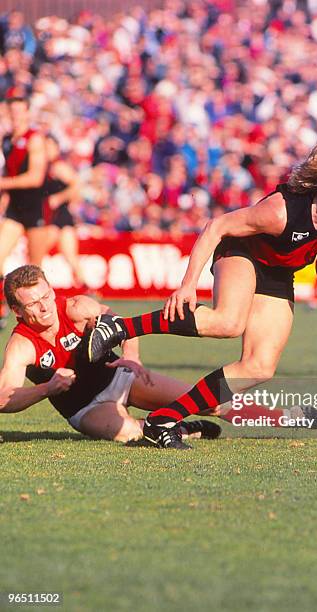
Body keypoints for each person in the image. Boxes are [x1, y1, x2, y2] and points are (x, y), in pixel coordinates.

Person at [87, 136, 317, 449]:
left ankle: (162, 420)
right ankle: (121, 327)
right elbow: (216, 227)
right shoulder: (279, 212)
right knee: (228, 322)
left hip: (279, 272)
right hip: (242, 252)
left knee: (259, 366)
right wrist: (188, 285)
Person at [0, 264, 221, 447]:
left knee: (211, 403)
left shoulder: (76, 308)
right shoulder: (22, 344)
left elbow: (126, 327)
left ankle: (255, 417)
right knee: (129, 432)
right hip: (86, 408)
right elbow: (3, 398)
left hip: (121, 378)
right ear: (17, 310)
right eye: (32, 304)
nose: (44, 307)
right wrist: (46, 389)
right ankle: (183, 428)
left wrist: (131, 356)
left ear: (51, 289)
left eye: (46, 296)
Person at [0, 90, 48, 328]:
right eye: (12, 111)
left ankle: (44, 321)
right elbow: (9, 175)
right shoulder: (8, 139)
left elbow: (35, 178)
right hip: (15, 211)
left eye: (19, 111)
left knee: (35, 270)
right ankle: (3, 307)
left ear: (27, 112)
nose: (15, 116)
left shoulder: (35, 138)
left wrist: (3, 183)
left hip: (35, 209)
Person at [41, 134, 87, 287]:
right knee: (70, 256)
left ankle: (34, 286)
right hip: (59, 216)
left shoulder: (58, 166)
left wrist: (59, 198)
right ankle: (85, 287)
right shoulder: (47, 166)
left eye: (49, 147)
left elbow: (76, 185)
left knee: (39, 252)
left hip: (58, 216)